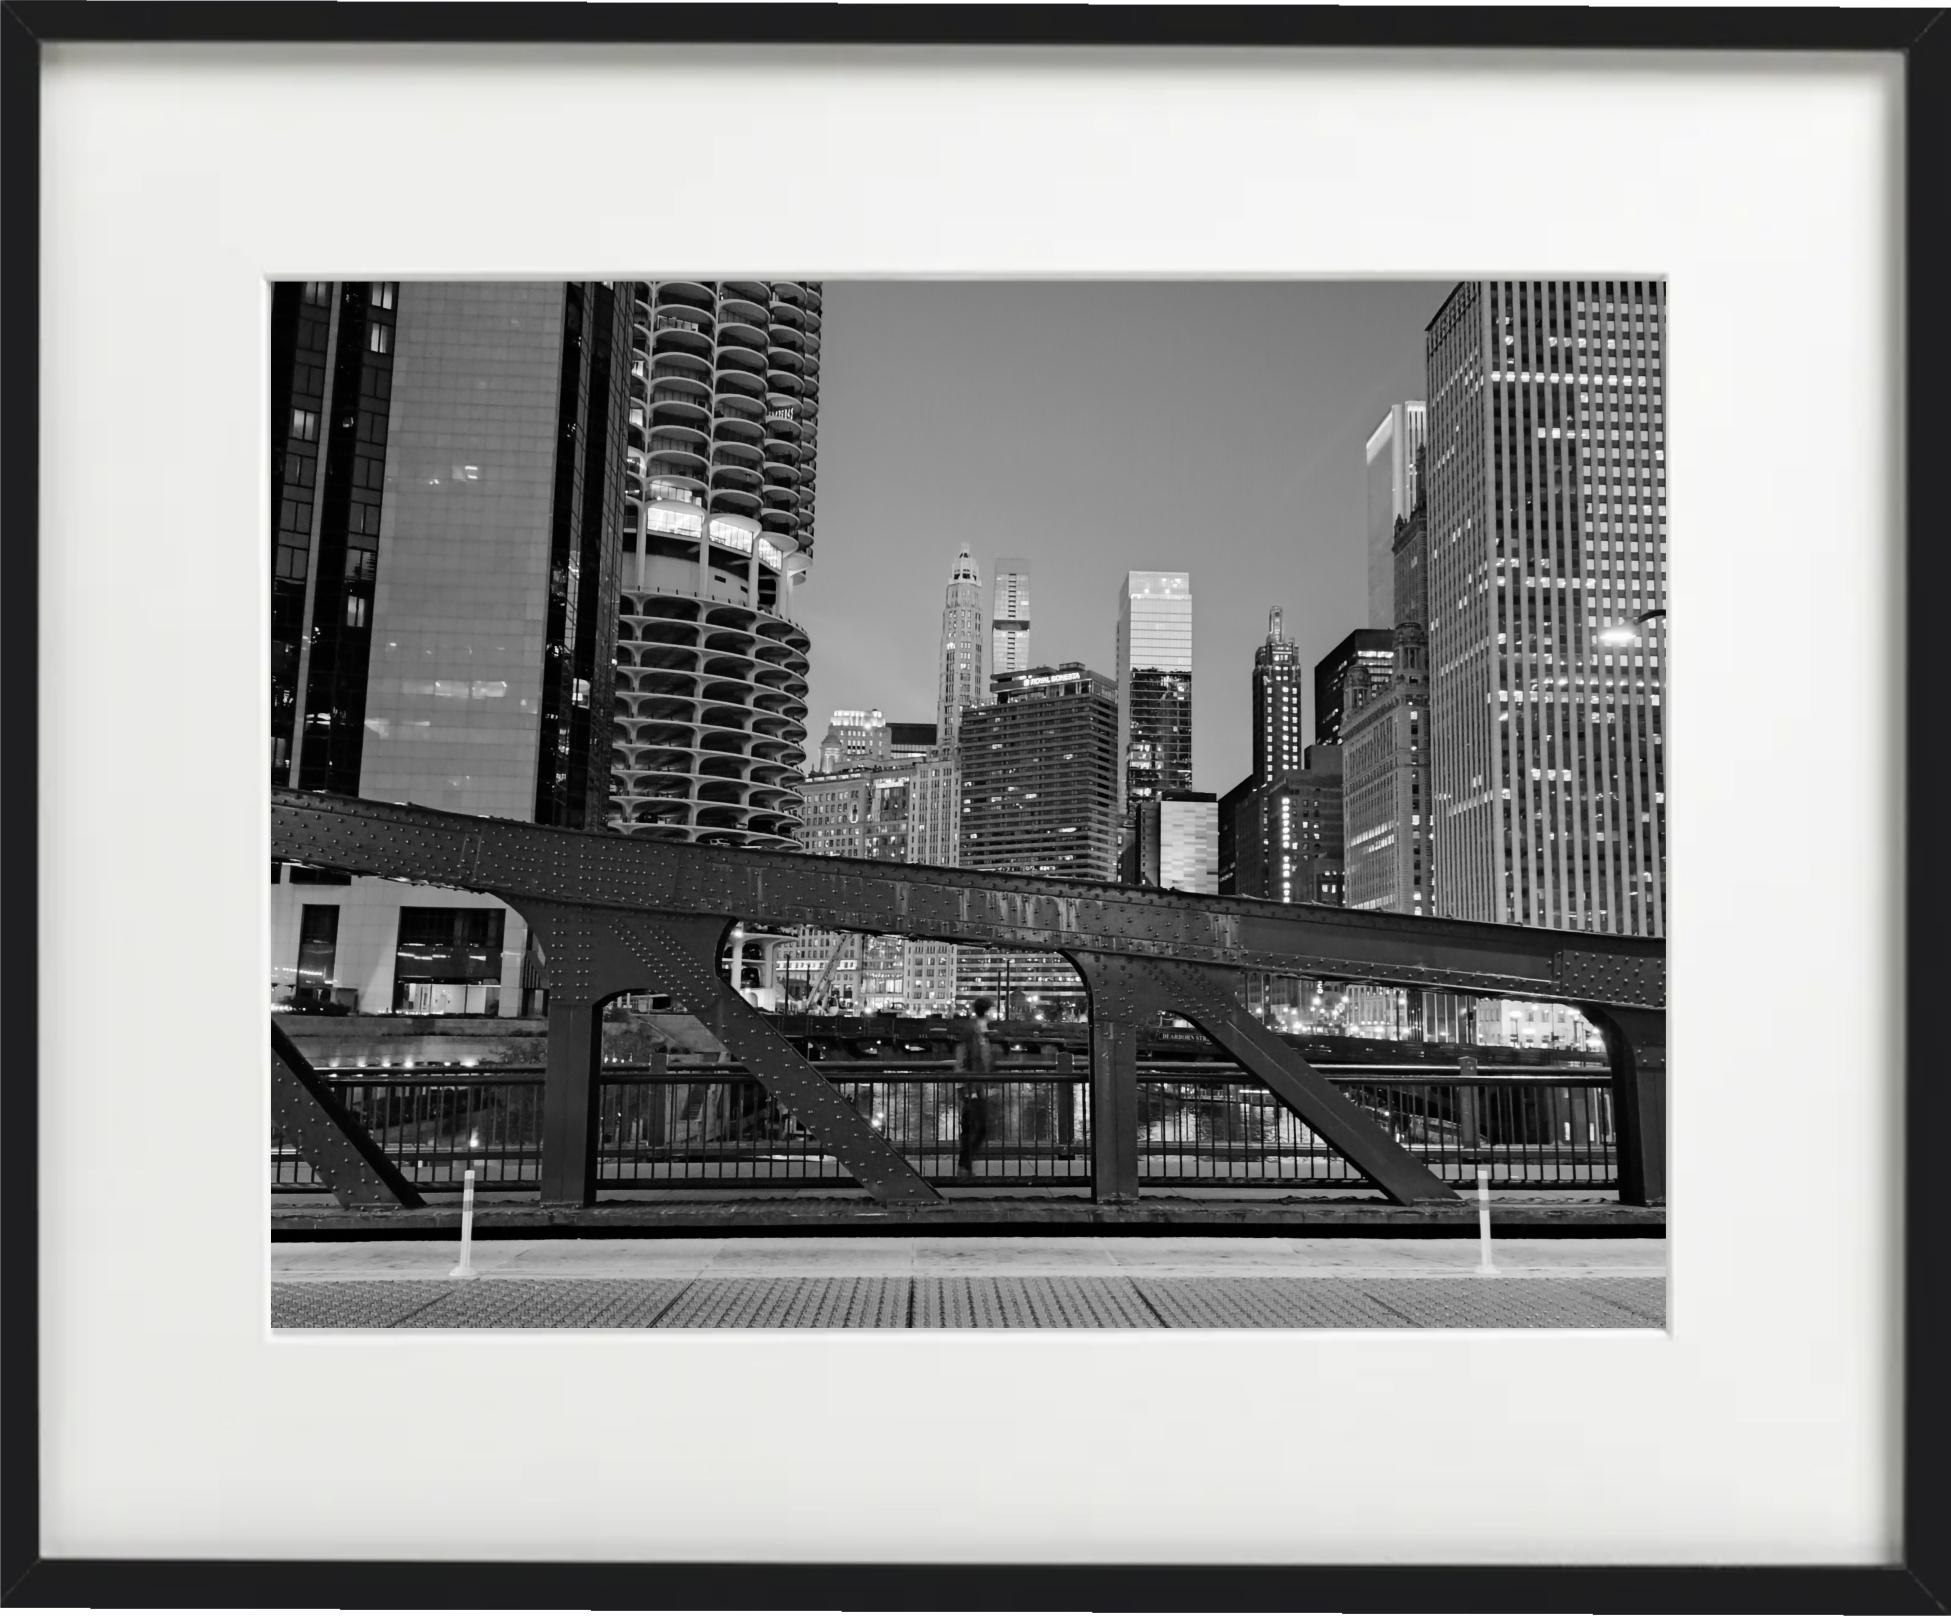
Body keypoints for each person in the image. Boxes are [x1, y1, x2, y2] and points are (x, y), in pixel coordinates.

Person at [955, 996, 995, 1182]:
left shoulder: (980, 1032)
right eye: (992, 1010)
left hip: (978, 1086)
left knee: (974, 1126)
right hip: (972, 1086)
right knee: (977, 1127)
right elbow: (962, 1058)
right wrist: (962, 1084)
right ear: (986, 1011)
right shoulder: (973, 1031)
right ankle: (964, 1167)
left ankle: (965, 1167)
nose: (994, 1014)